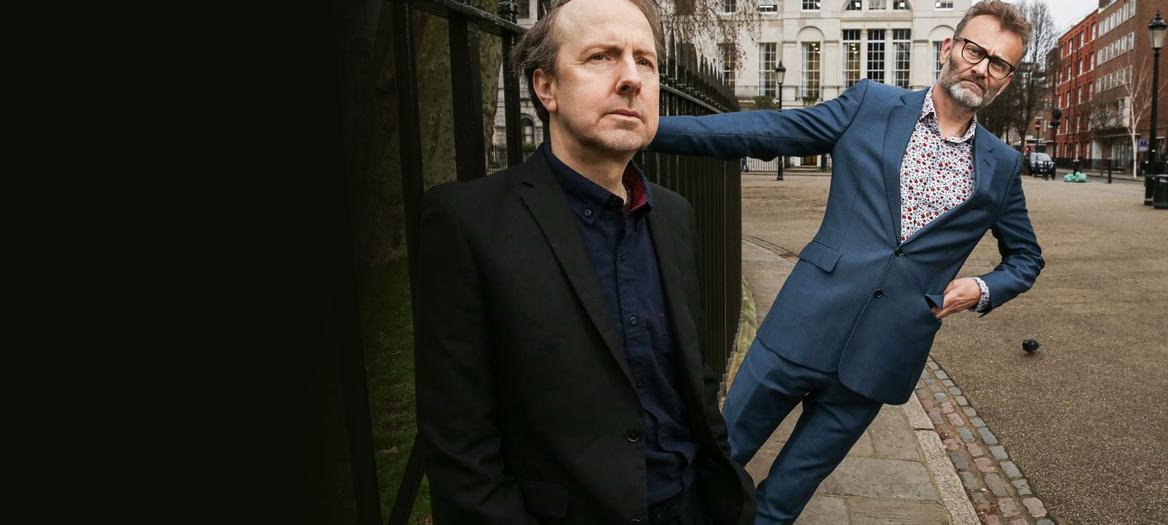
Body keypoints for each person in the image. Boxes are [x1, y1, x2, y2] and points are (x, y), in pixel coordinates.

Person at [647, 2, 1044, 523]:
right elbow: (766, 132)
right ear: (948, 47)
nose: (982, 67)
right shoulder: (871, 104)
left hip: (880, 360)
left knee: (781, 503)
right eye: (975, 49)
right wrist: (648, 130)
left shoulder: (1002, 165)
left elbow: (1026, 258)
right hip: (800, 327)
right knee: (715, 466)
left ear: (1007, 80)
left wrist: (981, 288)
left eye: (1000, 63)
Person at [414, 0, 755, 523]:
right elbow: (462, 449)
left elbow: (693, 378)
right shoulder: (469, 223)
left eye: (645, 61)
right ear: (545, 87)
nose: (631, 79)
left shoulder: (674, 215)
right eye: (601, 57)